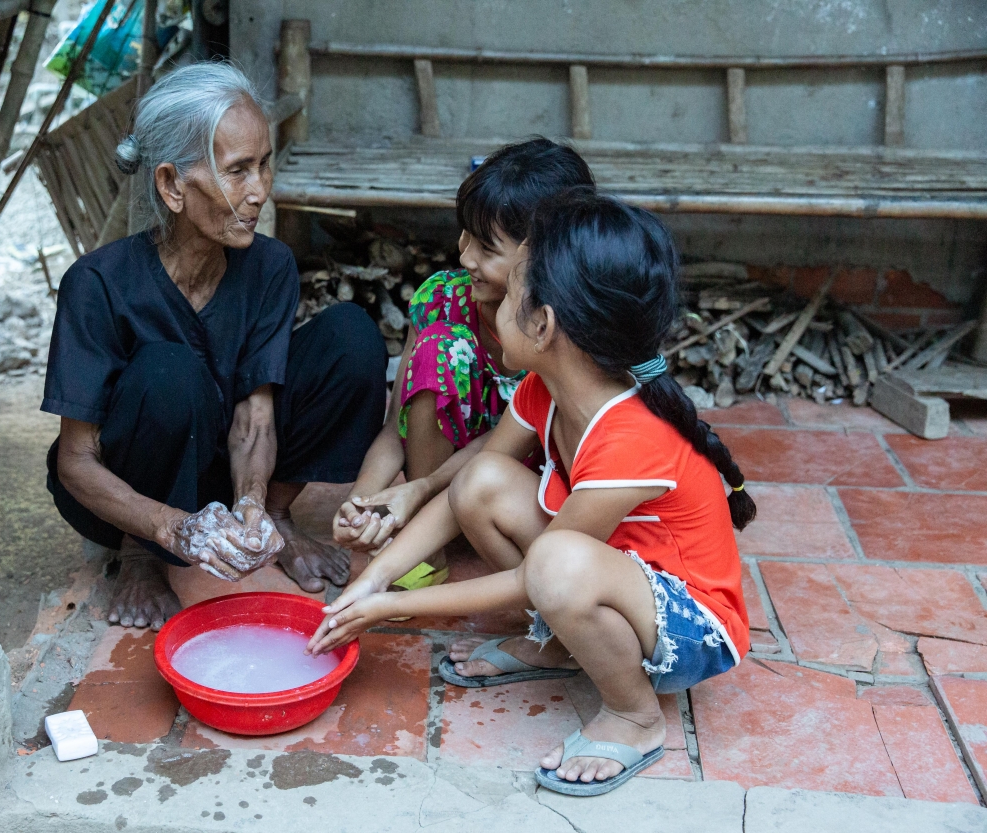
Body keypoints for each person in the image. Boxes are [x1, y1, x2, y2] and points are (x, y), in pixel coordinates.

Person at [307, 191, 756, 796]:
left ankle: (634, 716)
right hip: (614, 579)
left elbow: (540, 574)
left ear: (543, 325)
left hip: (692, 628)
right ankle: (563, 647)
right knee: (482, 483)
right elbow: (468, 488)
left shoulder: (629, 436)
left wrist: (385, 611)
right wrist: (374, 579)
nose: (490, 306)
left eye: (511, 297)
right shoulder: (547, 388)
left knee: (557, 562)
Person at [42, 62, 387, 629]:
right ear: (172, 185)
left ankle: (278, 516)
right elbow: (76, 461)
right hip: (129, 491)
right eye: (237, 172)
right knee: (168, 369)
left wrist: (253, 504)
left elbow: (256, 413)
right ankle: (138, 556)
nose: (259, 192)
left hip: (222, 460)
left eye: (264, 164)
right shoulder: (98, 284)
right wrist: (166, 529)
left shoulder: (268, 266)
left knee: (350, 336)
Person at [332, 139, 595, 593]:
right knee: (440, 348)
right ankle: (425, 548)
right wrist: (363, 504)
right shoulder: (443, 299)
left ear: (543, 257)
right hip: (442, 484)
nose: (465, 257)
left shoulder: (564, 329)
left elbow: (504, 449)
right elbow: (397, 427)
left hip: (524, 496)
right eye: (465, 235)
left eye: (487, 248)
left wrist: (420, 490)